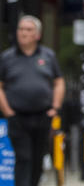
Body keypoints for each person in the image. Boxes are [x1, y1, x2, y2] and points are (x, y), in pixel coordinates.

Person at [0, 15, 65, 186]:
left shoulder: (48, 56)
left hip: (42, 115)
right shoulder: (7, 57)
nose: (23, 33)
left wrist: (55, 107)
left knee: (37, 159)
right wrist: (7, 111)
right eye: (21, 29)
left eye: (28, 30)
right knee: (23, 157)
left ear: (37, 34)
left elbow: (59, 82)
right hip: (17, 116)